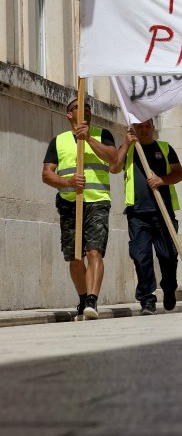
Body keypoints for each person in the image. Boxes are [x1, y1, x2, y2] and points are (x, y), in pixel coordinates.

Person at [42, 97, 117, 320]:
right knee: (74, 257)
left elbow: (113, 160)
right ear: (69, 114)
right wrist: (68, 183)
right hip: (69, 203)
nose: (83, 110)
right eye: (77, 108)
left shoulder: (102, 135)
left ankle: (92, 300)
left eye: (87, 107)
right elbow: (47, 174)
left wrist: (89, 140)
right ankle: (83, 297)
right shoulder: (59, 141)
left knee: (94, 251)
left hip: (96, 201)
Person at [111, 119, 182, 314]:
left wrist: (161, 180)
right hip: (138, 214)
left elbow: (179, 174)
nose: (144, 129)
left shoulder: (165, 148)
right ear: (134, 128)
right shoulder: (128, 149)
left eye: (147, 126)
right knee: (140, 256)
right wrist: (126, 143)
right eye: (140, 126)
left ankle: (169, 288)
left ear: (153, 128)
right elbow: (114, 167)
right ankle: (147, 299)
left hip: (163, 212)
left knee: (168, 256)